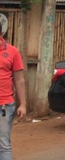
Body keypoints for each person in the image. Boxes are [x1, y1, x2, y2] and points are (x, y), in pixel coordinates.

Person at [0, 18, 26, 160]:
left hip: (4, 106)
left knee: (3, 145)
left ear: (2, 34)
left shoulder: (12, 52)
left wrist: (23, 104)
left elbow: (19, 79)